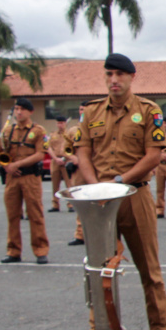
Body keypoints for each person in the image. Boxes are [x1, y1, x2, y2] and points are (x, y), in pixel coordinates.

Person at [71, 53, 166, 330]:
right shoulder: (90, 112)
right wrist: (96, 187)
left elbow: (153, 155)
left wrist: (119, 183)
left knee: (149, 267)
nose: (113, 80)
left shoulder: (149, 110)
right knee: (99, 269)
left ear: (131, 77)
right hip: (99, 201)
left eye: (120, 74)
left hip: (134, 195)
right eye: (109, 74)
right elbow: (83, 152)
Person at [0, 98, 49, 264]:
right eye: (17, 109)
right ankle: (13, 251)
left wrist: (17, 164)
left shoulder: (38, 131)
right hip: (12, 177)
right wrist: (5, 164)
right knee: (12, 215)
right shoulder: (8, 130)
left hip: (30, 176)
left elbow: (40, 154)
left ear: (30, 111)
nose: (19, 112)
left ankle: (40, 250)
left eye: (23, 109)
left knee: (35, 214)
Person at [67, 101, 89, 246]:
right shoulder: (73, 130)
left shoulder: (100, 128)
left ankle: (96, 234)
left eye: (85, 109)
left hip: (96, 169)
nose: (83, 112)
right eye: (81, 109)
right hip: (79, 171)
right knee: (80, 202)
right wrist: (73, 157)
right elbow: (66, 149)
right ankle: (80, 235)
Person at [47, 116, 74, 213]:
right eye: (58, 123)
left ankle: (71, 204)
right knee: (55, 184)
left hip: (66, 160)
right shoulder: (53, 134)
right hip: (55, 161)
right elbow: (48, 147)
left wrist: (66, 158)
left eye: (62, 123)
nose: (60, 125)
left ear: (65, 123)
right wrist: (55, 158)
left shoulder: (69, 134)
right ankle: (55, 205)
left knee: (69, 184)